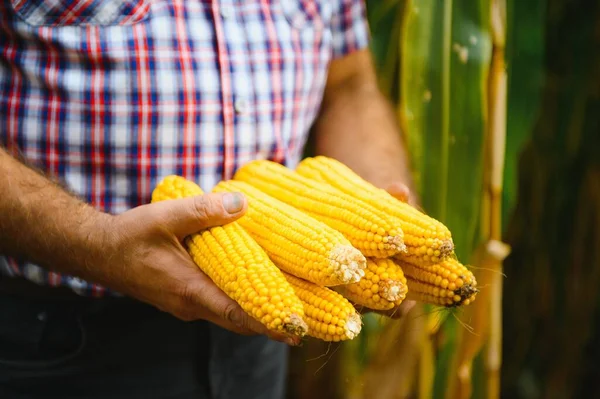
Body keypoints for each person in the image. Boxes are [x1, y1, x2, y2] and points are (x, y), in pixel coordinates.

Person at [0, 0, 416, 397]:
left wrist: (376, 205)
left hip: (271, 323)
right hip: (59, 339)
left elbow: (349, 85)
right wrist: (95, 239)